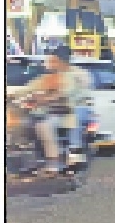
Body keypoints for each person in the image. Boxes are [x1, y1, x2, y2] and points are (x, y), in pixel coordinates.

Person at [26, 45, 91, 173]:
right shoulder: (53, 74)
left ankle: (73, 153)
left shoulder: (78, 74)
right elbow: (36, 87)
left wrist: (48, 98)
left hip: (78, 107)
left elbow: (70, 93)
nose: (51, 63)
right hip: (59, 108)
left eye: (55, 59)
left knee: (74, 117)